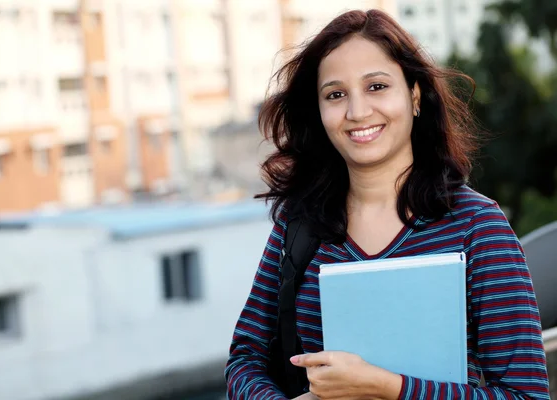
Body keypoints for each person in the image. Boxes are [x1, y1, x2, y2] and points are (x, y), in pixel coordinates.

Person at [225, 8, 550, 400]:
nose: (357, 112)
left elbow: (525, 394)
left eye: (377, 86)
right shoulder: (298, 225)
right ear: (320, 111)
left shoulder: (477, 227)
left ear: (414, 95)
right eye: (336, 94)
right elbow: (245, 359)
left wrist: (387, 387)